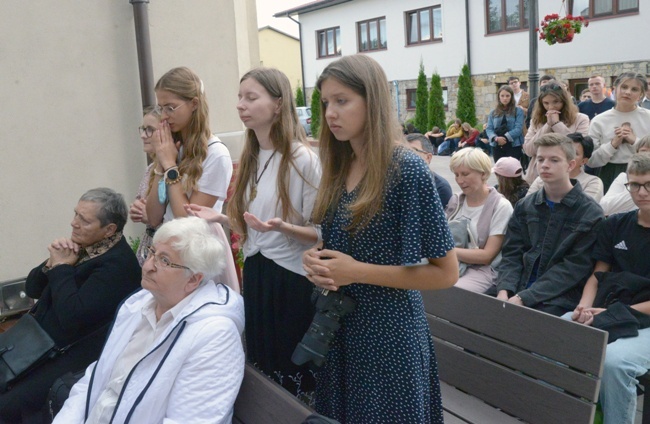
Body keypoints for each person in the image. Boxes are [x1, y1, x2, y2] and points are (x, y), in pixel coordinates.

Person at [302, 54, 458, 423]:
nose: (330, 114)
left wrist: (355, 272)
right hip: (340, 330)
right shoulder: (340, 166)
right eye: (326, 103)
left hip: (389, 338)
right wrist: (316, 258)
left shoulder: (407, 169)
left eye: (342, 101)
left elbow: (446, 273)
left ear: (371, 102)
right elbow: (339, 247)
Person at [187, 67, 321, 397]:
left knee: (288, 376)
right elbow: (255, 225)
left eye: (251, 97)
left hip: (290, 280)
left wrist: (284, 228)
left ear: (278, 104)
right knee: (261, 364)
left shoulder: (302, 158)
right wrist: (219, 218)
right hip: (258, 273)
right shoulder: (252, 156)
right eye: (239, 97)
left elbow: (320, 233)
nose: (240, 105)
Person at [53, 217, 245, 423]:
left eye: (164, 260)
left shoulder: (214, 335)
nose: (149, 265)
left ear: (193, 279)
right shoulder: (140, 304)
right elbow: (97, 378)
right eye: (152, 252)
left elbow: (191, 420)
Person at [0, 188, 141, 423]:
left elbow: (71, 318)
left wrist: (62, 268)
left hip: (65, 356)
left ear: (109, 229)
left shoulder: (118, 266)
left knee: (9, 406)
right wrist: (52, 262)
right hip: (34, 342)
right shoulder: (82, 247)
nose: (73, 223)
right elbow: (33, 288)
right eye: (76, 214)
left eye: (84, 220)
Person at [568, 153, 650, 424]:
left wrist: (611, 313)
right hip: (612, 307)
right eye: (634, 185)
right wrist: (583, 306)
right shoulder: (616, 224)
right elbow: (598, 275)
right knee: (560, 332)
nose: (641, 192)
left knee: (615, 362)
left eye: (648, 184)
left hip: (640, 317)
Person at [496, 134, 604, 316]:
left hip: (558, 297)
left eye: (554, 160)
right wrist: (504, 289)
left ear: (570, 165)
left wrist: (525, 297)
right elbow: (512, 253)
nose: (545, 165)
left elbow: (573, 268)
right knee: (479, 323)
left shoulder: (590, 213)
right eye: (540, 159)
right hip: (518, 286)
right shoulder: (526, 205)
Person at [145, 66, 232, 228]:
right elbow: (153, 218)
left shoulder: (216, 154)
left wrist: (170, 166)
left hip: (196, 247)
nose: (164, 116)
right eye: (161, 108)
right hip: (169, 246)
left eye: (170, 108)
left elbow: (188, 221)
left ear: (194, 104)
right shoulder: (173, 148)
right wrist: (160, 165)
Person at [445, 148, 513, 294]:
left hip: (482, 270)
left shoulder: (501, 206)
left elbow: (487, 256)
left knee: (449, 292)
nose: (459, 180)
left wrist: (446, 251)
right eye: (456, 175)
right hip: (452, 263)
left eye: (465, 174)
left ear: (483, 173)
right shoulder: (455, 200)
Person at [587, 72, 650, 193]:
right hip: (608, 173)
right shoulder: (599, 120)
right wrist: (613, 144)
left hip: (645, 173)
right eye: (624, 87)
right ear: (615, 89)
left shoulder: (648, 117)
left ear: (641, 94)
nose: (628, 92)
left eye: (634, 89)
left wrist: (635, 141)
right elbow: (591, 160)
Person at [522, 82, 590, 184]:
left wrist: (556, 124)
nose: (551, 107)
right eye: (546, 103)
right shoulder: (536, 121)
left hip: (569, 175)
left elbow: (577, 148)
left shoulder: (581, 119)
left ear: (564, 101)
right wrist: (548, 125)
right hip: (538, 176)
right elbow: (529, 150)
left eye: (556, 102)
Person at [129, 107, 163, 266]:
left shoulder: (173, 171)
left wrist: (151, 215)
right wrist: (137, 209)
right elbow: (141, 202)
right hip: (148, 243)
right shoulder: (150, 170)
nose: (143, 135)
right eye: (143, 129)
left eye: (150, 130)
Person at [528, 133, 603, 201]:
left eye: (574, 153)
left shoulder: (591, 182)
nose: (545, 165)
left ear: (584, 161)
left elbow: (585, 211)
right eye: (540, 159)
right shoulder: (541, 180)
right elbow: (526, 208)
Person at [600, 135, 650, 215]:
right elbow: (604, 207)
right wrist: (634, 189)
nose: (648, 156)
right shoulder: (623, 177)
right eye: (644, 152)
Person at [405, 133, 453, 207]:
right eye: (403, 151)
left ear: (428, 157)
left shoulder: (440, 187)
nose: (406, 156)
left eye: (413, 151)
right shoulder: (396, 183)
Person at [486, 85, 525, 162]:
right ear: (499, 97)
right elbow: (489, 128)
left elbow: (518, 128)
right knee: (499, 169)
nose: (505, 98)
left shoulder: (518, 111)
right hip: (497, 145)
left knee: (513, 170)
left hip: (513, 145)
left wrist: (505, 137)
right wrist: (496, 138)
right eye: (502, 96)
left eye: (507, 96)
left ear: (511, 97)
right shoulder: (493, 112)